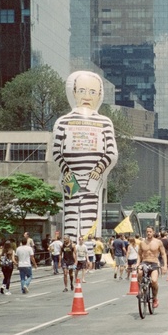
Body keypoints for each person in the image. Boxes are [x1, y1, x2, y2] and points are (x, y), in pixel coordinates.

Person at [52, 71, 119, 240]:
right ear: (73, 93)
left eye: (92, 92)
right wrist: (67, 171)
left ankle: (88, 248)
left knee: (90, 213)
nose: (87, 96)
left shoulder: (105, 122)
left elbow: (111, 152)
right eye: (81, 91)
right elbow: (56, 151)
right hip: (69, 176)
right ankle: (72, 244)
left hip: (94, 177)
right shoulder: (62, 121)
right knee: (71, 211)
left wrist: (98, 169)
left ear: (99, 95)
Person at [137, 227, 167, 308]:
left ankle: (155, 298)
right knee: (139, 272)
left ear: (153, 232)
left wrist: (165, 266)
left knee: (154, 281)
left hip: (154, 263)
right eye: (147, 232)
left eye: (150, 231)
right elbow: (139, 255)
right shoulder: (142, 242)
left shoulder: (158, 242)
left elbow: (163, 254)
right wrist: (137, 264)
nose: (148, 233)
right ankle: (140, 289)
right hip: (145, 262)